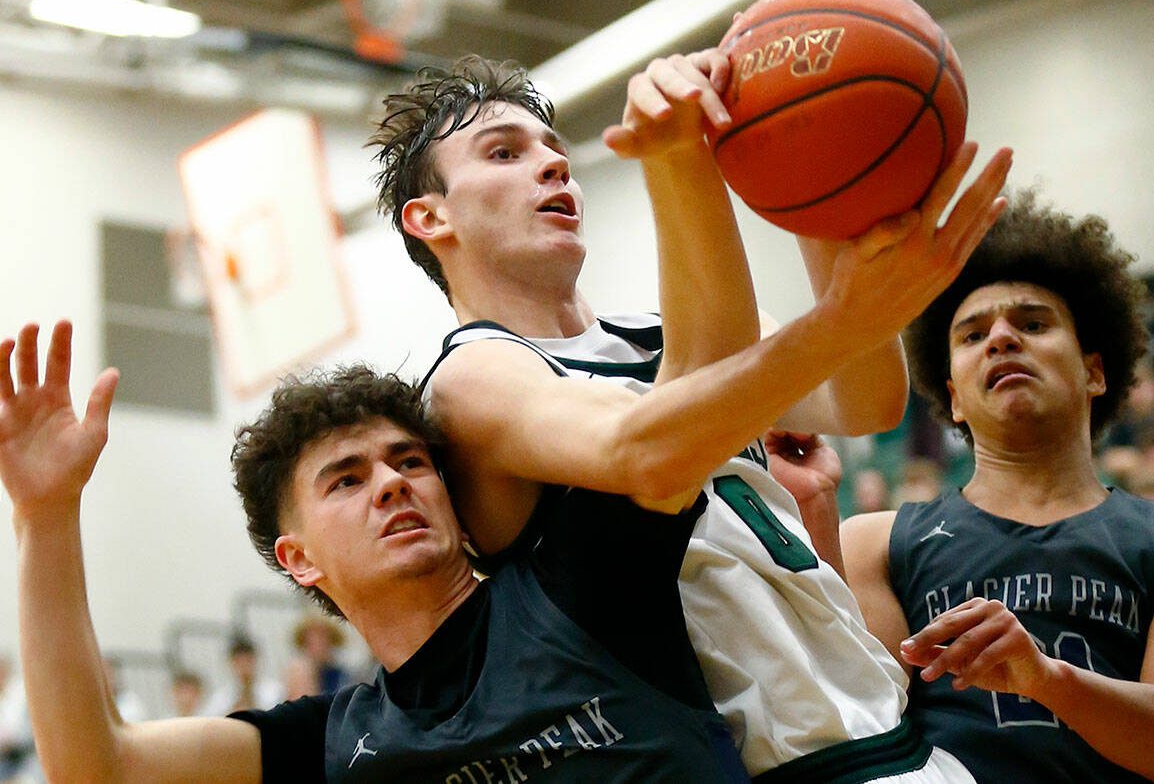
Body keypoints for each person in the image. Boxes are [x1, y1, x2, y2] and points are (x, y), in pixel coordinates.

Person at [371, 50, 1011, 780]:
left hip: (897, 740)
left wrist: (816, 182)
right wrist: (682, 163)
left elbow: (864, 401)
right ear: (430, 216)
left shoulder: (664, 328)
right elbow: (646, 447)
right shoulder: (471, 379)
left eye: (556, 153)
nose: (552, 168)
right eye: (505, 154)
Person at [0, 321, 749, 781]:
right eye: (346, 480)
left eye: (410, 461)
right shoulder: (333, 745)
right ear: (299, 559)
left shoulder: (577, 582)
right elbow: (96, 768)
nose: (390, 484)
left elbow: (700, 387)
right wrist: (45, 512)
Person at [839, 196, 1154, 783]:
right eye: (973, 334)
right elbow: (869, 738)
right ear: (952, 395)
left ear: (1094, 372)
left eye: (1032, 324)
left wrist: (1047, 680)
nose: (1001, 338)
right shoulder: (876, 544)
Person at [200, 635, 283, 716]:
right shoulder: (221, 699)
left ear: (256, 661)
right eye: (239, 662)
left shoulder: (274, 691)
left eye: (248, 661)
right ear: (231, 664)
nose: (244, 666)